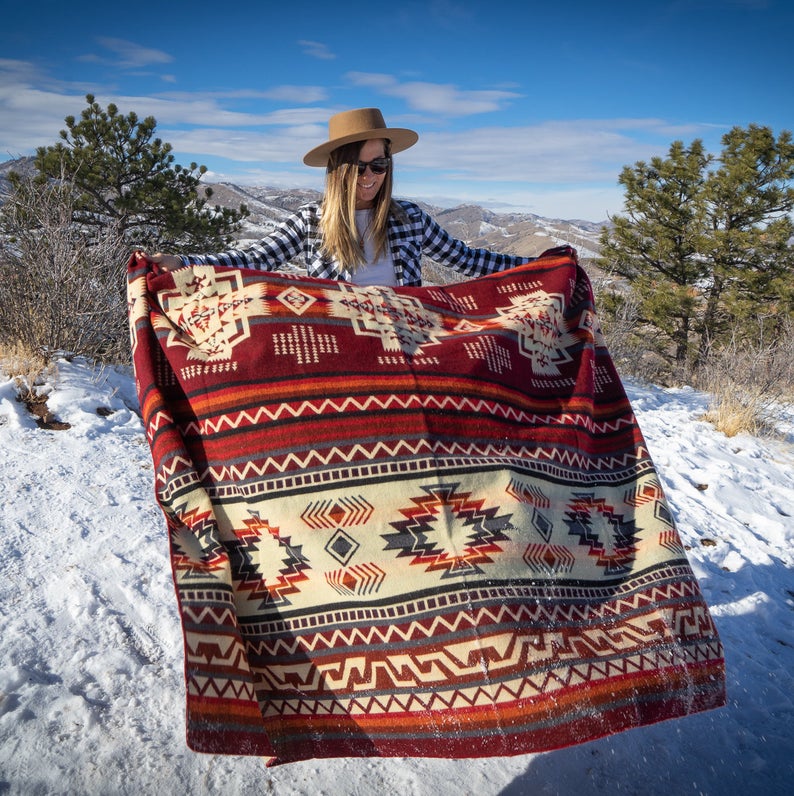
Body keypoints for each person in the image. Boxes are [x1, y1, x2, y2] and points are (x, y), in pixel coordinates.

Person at [147, 107, 533, 285]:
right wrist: (183, 261)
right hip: (341, 350)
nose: (369, 177)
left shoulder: (410, 219)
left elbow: (466, 259)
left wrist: (537, 267)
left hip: (407, 349)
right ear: (338, 172)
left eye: (379, 166)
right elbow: (253, 259)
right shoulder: (310, 221)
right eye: (358, 168)